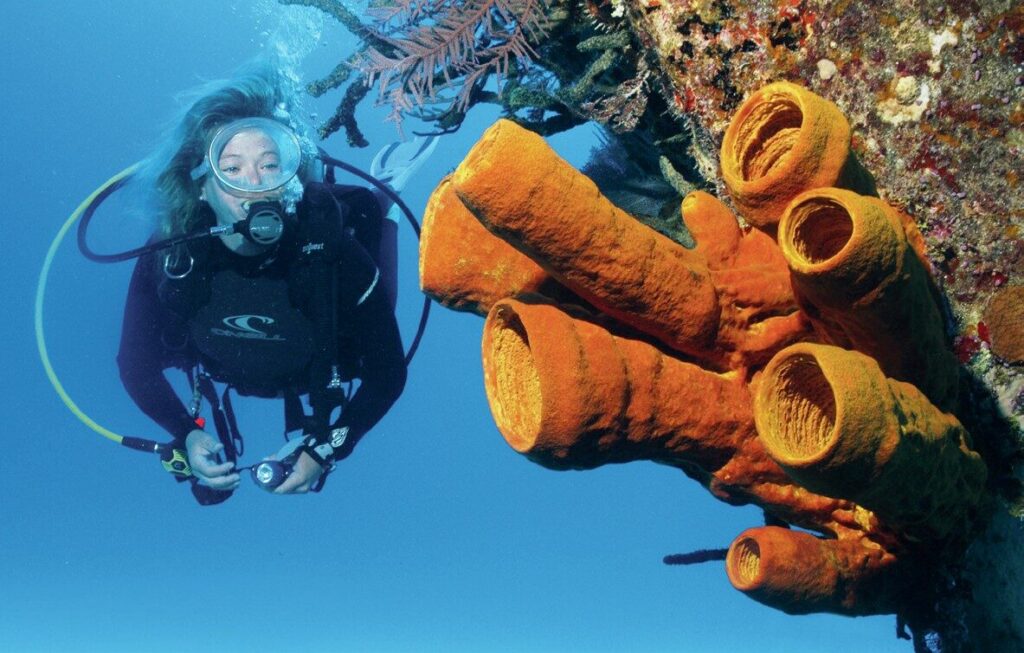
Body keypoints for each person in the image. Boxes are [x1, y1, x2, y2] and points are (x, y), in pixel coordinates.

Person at [116, 67, 429, 504]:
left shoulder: (328, 247)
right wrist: (185, 434)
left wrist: (330, 447)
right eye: (232, 169)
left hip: (318, 364)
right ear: (203, 187)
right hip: (225, 365)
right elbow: (135, 365)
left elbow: (387, 374)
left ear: (291, 179)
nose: (255, 184)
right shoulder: (173, 255)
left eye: (270, 165)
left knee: (380, 301)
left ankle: (385, 203)